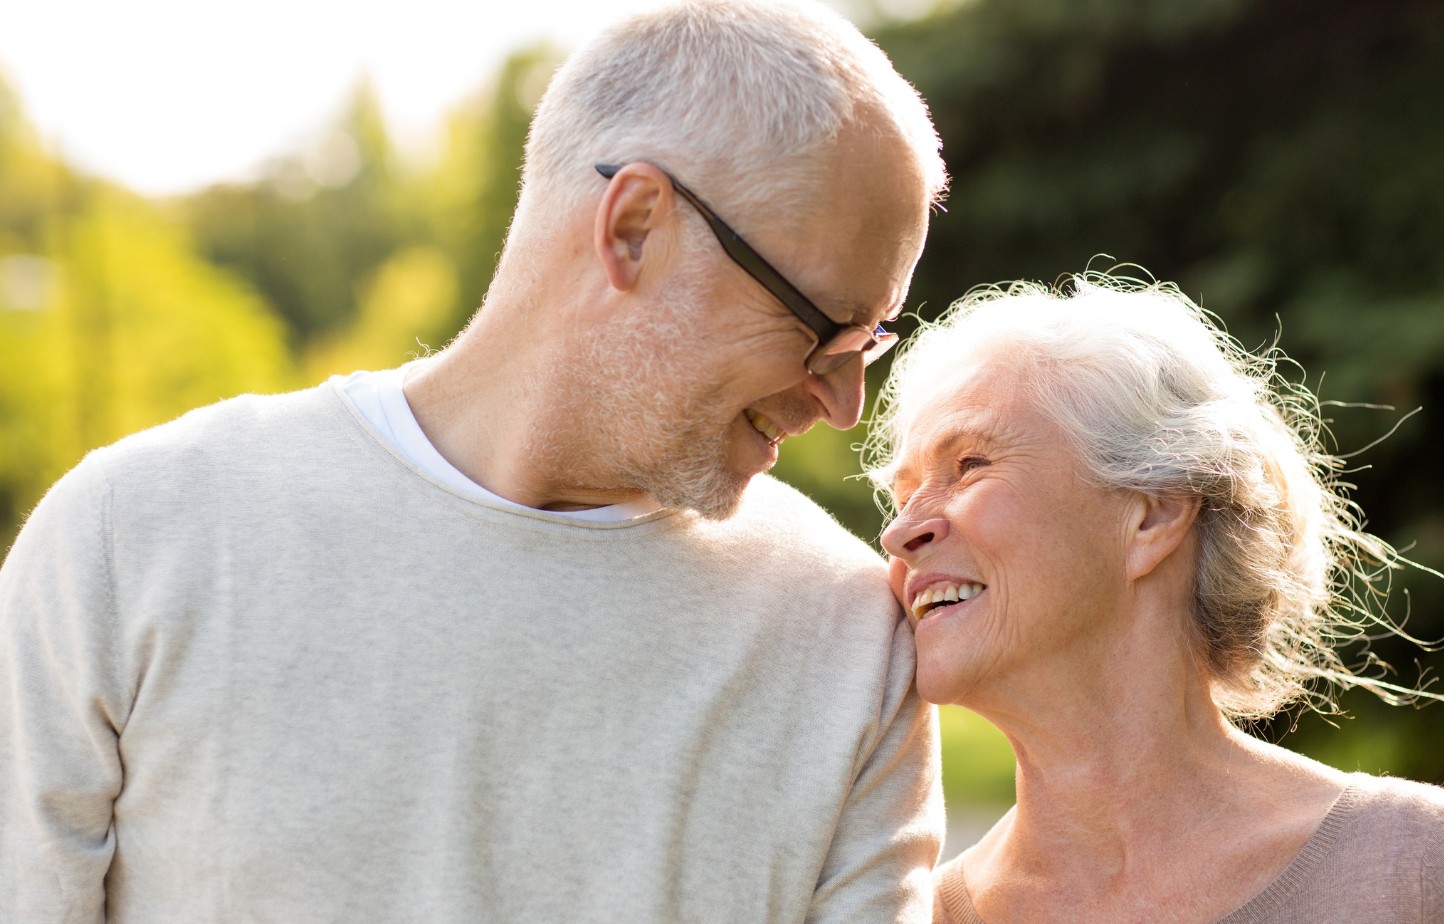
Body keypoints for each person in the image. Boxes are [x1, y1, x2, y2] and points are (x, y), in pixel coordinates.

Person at [0, 2, 949, 920]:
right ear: (635, 228)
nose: (842, 398)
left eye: (870, 342)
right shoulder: (132, 541)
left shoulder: (849, 648)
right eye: (824, 327)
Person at [869, 273, 1444, 923]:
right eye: (901, 497)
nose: (901, 532)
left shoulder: (1419, 875)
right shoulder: (909, 916)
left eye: (969, 466)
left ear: (1154, 515)